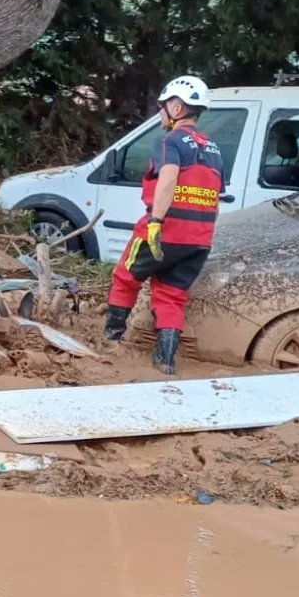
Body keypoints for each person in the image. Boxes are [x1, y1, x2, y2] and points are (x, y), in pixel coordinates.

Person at [103, 76, 223, 375]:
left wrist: (155, 221)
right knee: (171, 295)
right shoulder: (215, 150)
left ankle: (111, 341)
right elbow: (214, 195)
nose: (160, 114)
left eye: (163, 107)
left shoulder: (169, 141)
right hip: (199, 237)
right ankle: (165, 360)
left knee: (124, 278)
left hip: (165, 228)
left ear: (177, 107)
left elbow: (167, 179)